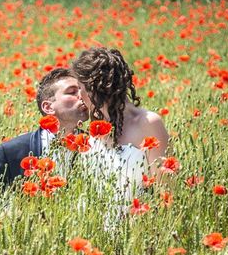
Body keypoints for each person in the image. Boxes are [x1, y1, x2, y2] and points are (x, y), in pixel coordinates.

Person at [71, 47, 169, 177]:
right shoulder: (97, 124)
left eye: (79, 88)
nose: (78, 95)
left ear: (93, 88)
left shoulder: (148, 123)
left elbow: (164, 188)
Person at [0, 68, 88, 187]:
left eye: (83, 90)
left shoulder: (97, 145)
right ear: (48, 107)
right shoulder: (12, 152)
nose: (82, 96)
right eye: (72, 92)